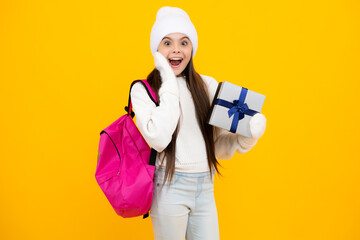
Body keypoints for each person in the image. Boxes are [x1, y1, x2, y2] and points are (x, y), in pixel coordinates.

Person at [130, 6, 267, 240]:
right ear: (156, 48)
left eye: (184, 42)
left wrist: (248, 135)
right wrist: (167, 81)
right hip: (168, 186)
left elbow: (219, 146)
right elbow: (160, 138)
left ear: (192, 47)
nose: (176, 50)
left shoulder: (208, 86)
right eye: (167, 43)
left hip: (205, 187)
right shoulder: (143, 90)